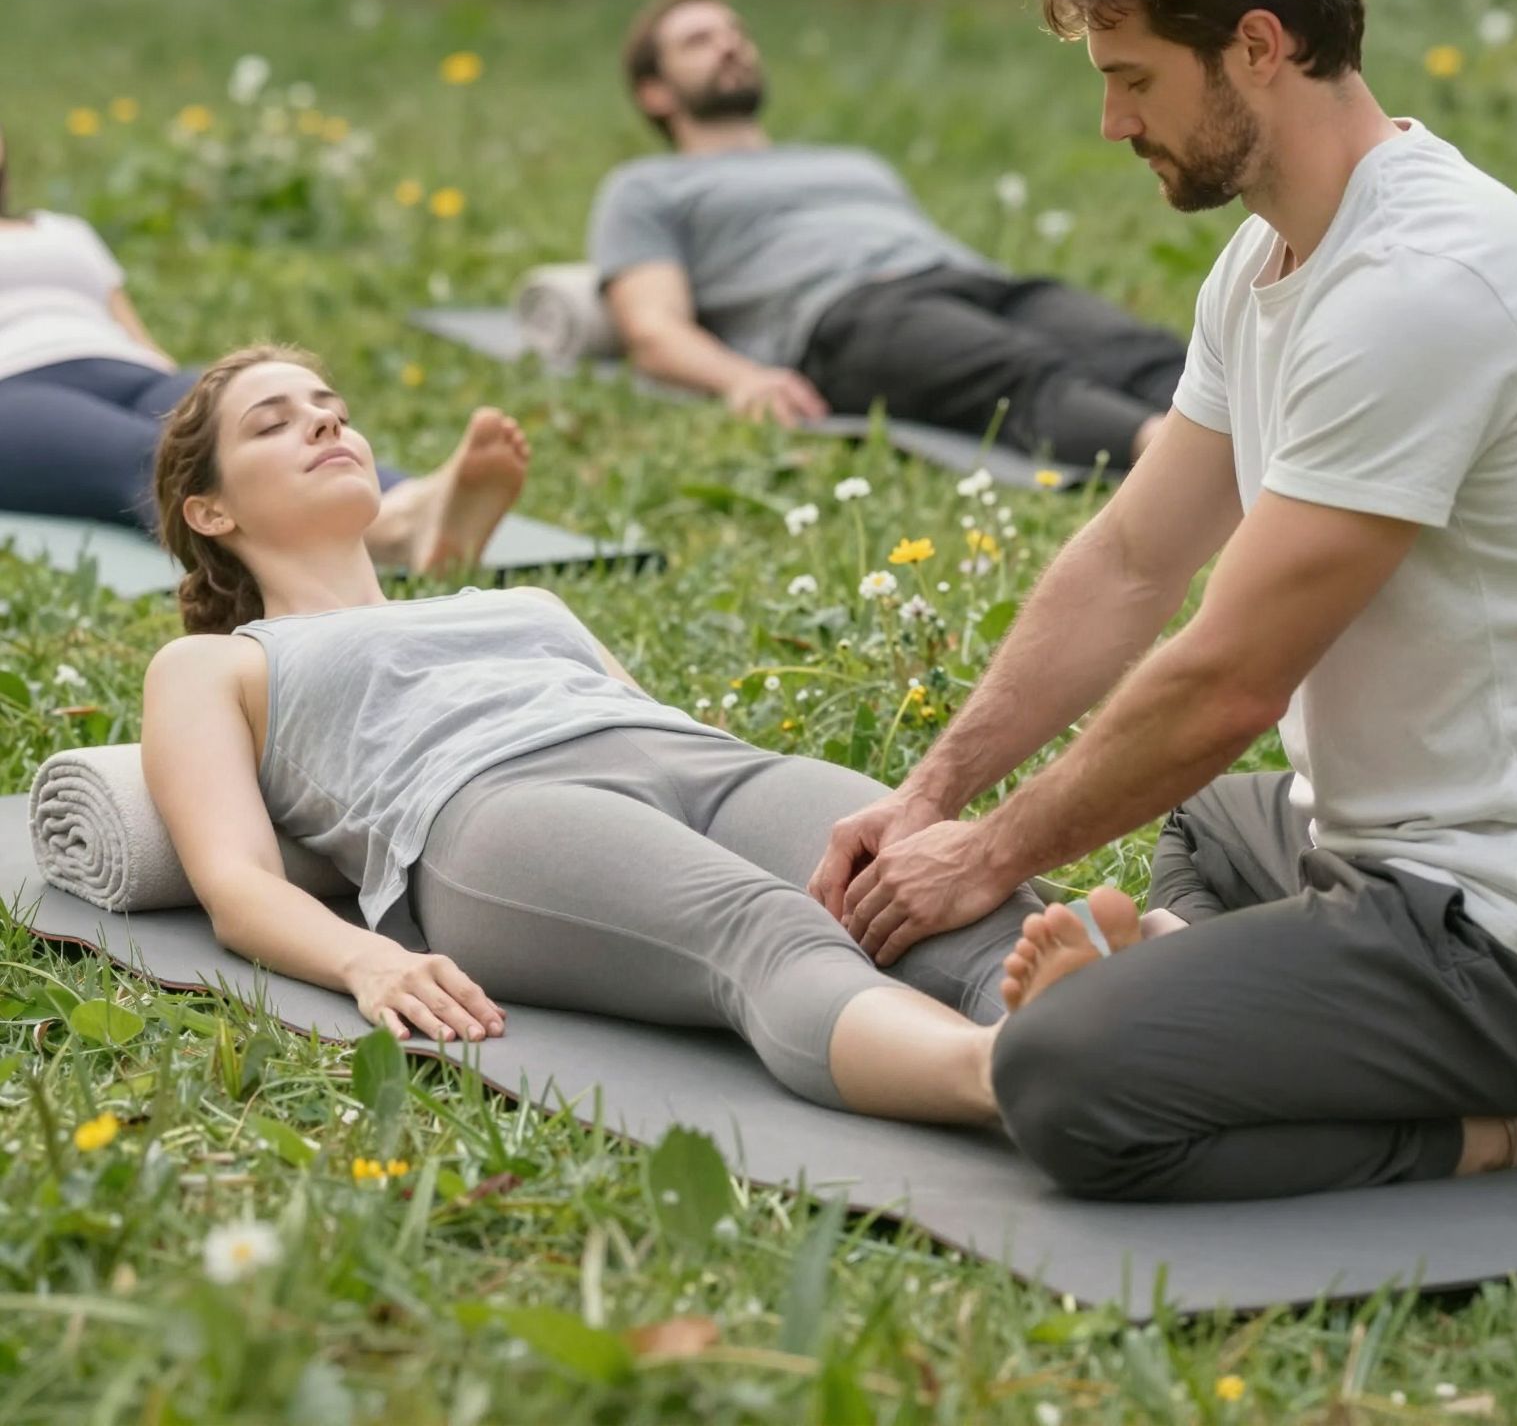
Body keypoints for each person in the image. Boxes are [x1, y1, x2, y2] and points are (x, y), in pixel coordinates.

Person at [808, 0, 1517, 1202]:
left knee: (1065, 1080)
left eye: (1134, 80)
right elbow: (1135, 558)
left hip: (1496, 925)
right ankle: (1212, 979)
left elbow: (1227, 679)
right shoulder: (1269, 257)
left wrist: (996, 854)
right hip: (1370, 840)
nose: (1113, 122)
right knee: (1205, 828)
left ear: (1260, 44)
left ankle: (1495, 1132)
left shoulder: (1424, 289)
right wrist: (928, 798)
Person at [141, 343, 1051, 1131]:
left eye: (333, 413)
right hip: (492, 808)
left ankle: (1108, 1016)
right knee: (768, 928)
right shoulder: (215, 666)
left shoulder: (525, 602)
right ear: (211, 512)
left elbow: (649, 715)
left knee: (929, 874)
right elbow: (235, 884)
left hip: (700, 762)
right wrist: (367, 959)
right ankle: (998, 1074)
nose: (325, 426)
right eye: (274, 424)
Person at [587, 0, 1187, 472]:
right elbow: (652, 329)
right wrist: (743, 380)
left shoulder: (848, 160)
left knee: (1137, 352)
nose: (730, 46)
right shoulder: (646, 187)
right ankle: (1181, 461)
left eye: (735, 33)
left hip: (968, 280)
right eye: (699, 40)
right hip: (849, 316)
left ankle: (1257, 432)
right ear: (655, 92)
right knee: (1019, 373)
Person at [0, 125, 529, 573]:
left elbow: (130, 328)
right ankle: (390, 532)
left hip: (127, 367)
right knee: (162, 463)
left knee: (279, 418)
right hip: (13, 387)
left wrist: (193, 390)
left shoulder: (65, 231)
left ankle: (418, 503)